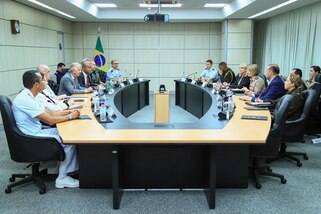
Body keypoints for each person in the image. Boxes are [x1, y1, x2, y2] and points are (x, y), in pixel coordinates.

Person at [12, 70, 80, 188]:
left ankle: (63, 170)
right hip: (30, 137)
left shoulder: (30, 95)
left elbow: (51, 114)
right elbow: (50, 120)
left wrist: (68, 111)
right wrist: (70, 117)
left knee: (68, 134)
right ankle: (62, 178)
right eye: (42, 80)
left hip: (36, 131)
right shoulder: (26, 99)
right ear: (36, 84)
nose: (46, 81)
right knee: (69, 140)